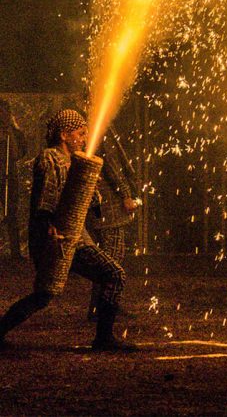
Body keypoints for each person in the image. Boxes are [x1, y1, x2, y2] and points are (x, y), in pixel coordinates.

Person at [0, 109, 136, 351]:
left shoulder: (75, 161)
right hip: (57, 236)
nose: (84, 139)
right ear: (64, 135)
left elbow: (87, 203)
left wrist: (92, 193)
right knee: (113, 275)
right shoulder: (50, 158)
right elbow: (47, 198)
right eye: (80, 134)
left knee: (44, 295)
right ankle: (103, 339)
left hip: (71, 235)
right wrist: (48, 227)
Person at [85, 129, 139, 321]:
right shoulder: (102, 132)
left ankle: (100, 306)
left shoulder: (96, 131)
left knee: (108, 257)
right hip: (109, 206)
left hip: (101, 206)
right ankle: (104, 307)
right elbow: (112, 168)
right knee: (112, 258)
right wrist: (126, 194)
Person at [0, 99, 27, 260]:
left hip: (10, 177)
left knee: (11, 214)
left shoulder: (14, 132)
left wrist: (14, 131)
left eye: (5, 112)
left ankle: (15, 252)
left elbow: (22, 151)